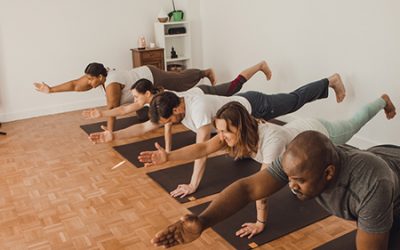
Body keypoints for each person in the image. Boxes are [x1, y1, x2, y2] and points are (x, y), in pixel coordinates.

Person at [139, 94, 396, 238]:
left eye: (225, 133)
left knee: (355, 122)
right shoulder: (252, 139)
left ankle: (381, 101)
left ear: (240, 128)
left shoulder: (271, 143)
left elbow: (260, 194)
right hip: (300, 142)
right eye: (219, 133)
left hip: (319, 132)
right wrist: (169, 158)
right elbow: (210, 153)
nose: (221, 138)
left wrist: (260, 222)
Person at [151, 131, 400, 250]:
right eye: (289, 178)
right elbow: (249, 188)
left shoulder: (370, 186)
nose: (291, 186)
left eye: (299, 181)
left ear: (328, 173)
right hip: (383, 155)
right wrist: (203, 220)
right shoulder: (299, 160)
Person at [139, 73, 345, 198]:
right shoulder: (177, 100)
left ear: (175, 110)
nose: (168, 126)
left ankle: (329, 81)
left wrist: (193, 185)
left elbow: (202, 149)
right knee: (236, 142)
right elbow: (206, 146)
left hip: (255, 105)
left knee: (294, 100)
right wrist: (167, 155)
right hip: (236, 117)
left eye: (167, 122)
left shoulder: (198, 110)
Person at [87, 60, 273, 151]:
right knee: (236, 92)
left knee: (235, 86)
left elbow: (167, 127)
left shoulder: (163, 101)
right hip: (198, 99)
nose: (135, 101)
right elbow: (125, 109)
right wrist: (102, 114)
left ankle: (259, 66)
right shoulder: (149, 102)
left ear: (147, 94)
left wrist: (168, 151)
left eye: (137, 97)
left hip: (204, 94)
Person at [34, 63, 216, 130]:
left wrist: (110, 132)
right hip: (141, 92)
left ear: (100, 77)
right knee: (146, 115)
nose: (89, 83)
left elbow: (113, 108)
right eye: (88, 79)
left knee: (179, 80)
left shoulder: (112, 82)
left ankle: (203, 72)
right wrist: (50, 90)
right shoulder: (98, 75)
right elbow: (75, 84)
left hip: (150, 76)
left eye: (91, 80)